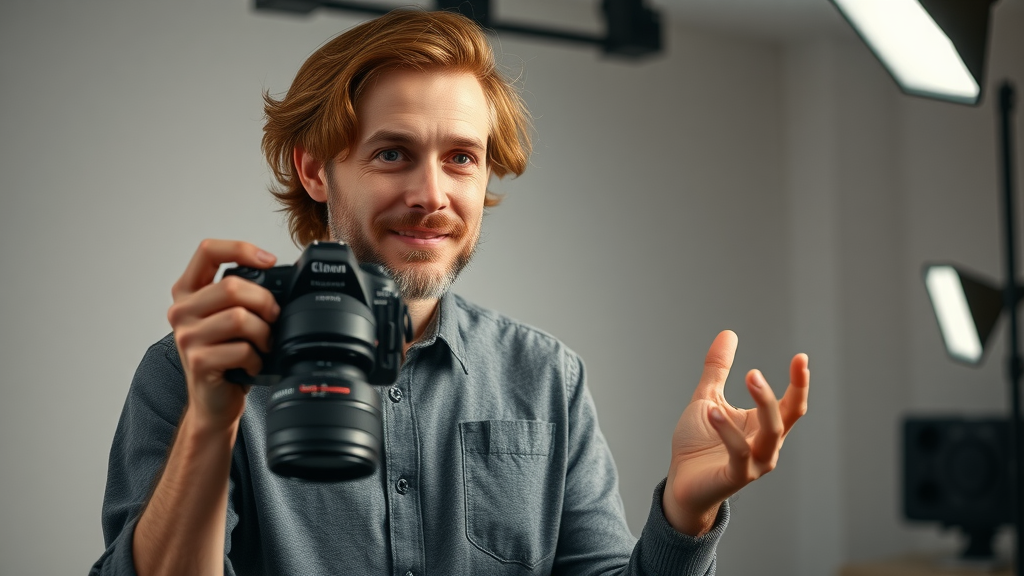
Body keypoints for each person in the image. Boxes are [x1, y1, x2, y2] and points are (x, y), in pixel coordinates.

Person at [91, 9, 810, 576]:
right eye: (392, 153)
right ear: (316, 172)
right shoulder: (197, 370)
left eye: (461, 158)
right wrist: (209, 427)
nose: (432, 195)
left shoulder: (546, 377)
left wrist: (684, 515)